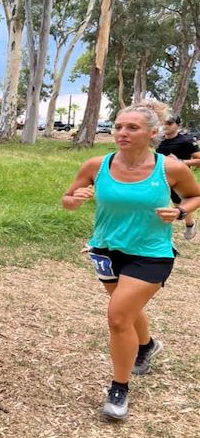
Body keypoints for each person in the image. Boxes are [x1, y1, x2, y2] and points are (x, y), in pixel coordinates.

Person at [62, 101, 200, 421]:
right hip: (106, 250)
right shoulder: (97, 165)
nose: (122, 133)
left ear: (153, 133)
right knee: (127, 310)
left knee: (118, 317)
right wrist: (76, 199)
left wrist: (180, 211)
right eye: (119, 127)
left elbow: (195, 195)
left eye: (132, 128)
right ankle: (147, 346)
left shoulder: (170, 168)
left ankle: (119, 388)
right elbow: (68, 200)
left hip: (151, 252)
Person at [157, 114, 200, 240]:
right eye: (163, 123)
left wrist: (180, 162)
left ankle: (190, 224)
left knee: (180, 203)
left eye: (169, 124)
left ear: (178, 125)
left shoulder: (186, 140)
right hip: (161, 177)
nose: (166, 126)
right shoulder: (159, 141)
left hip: (180, 179)